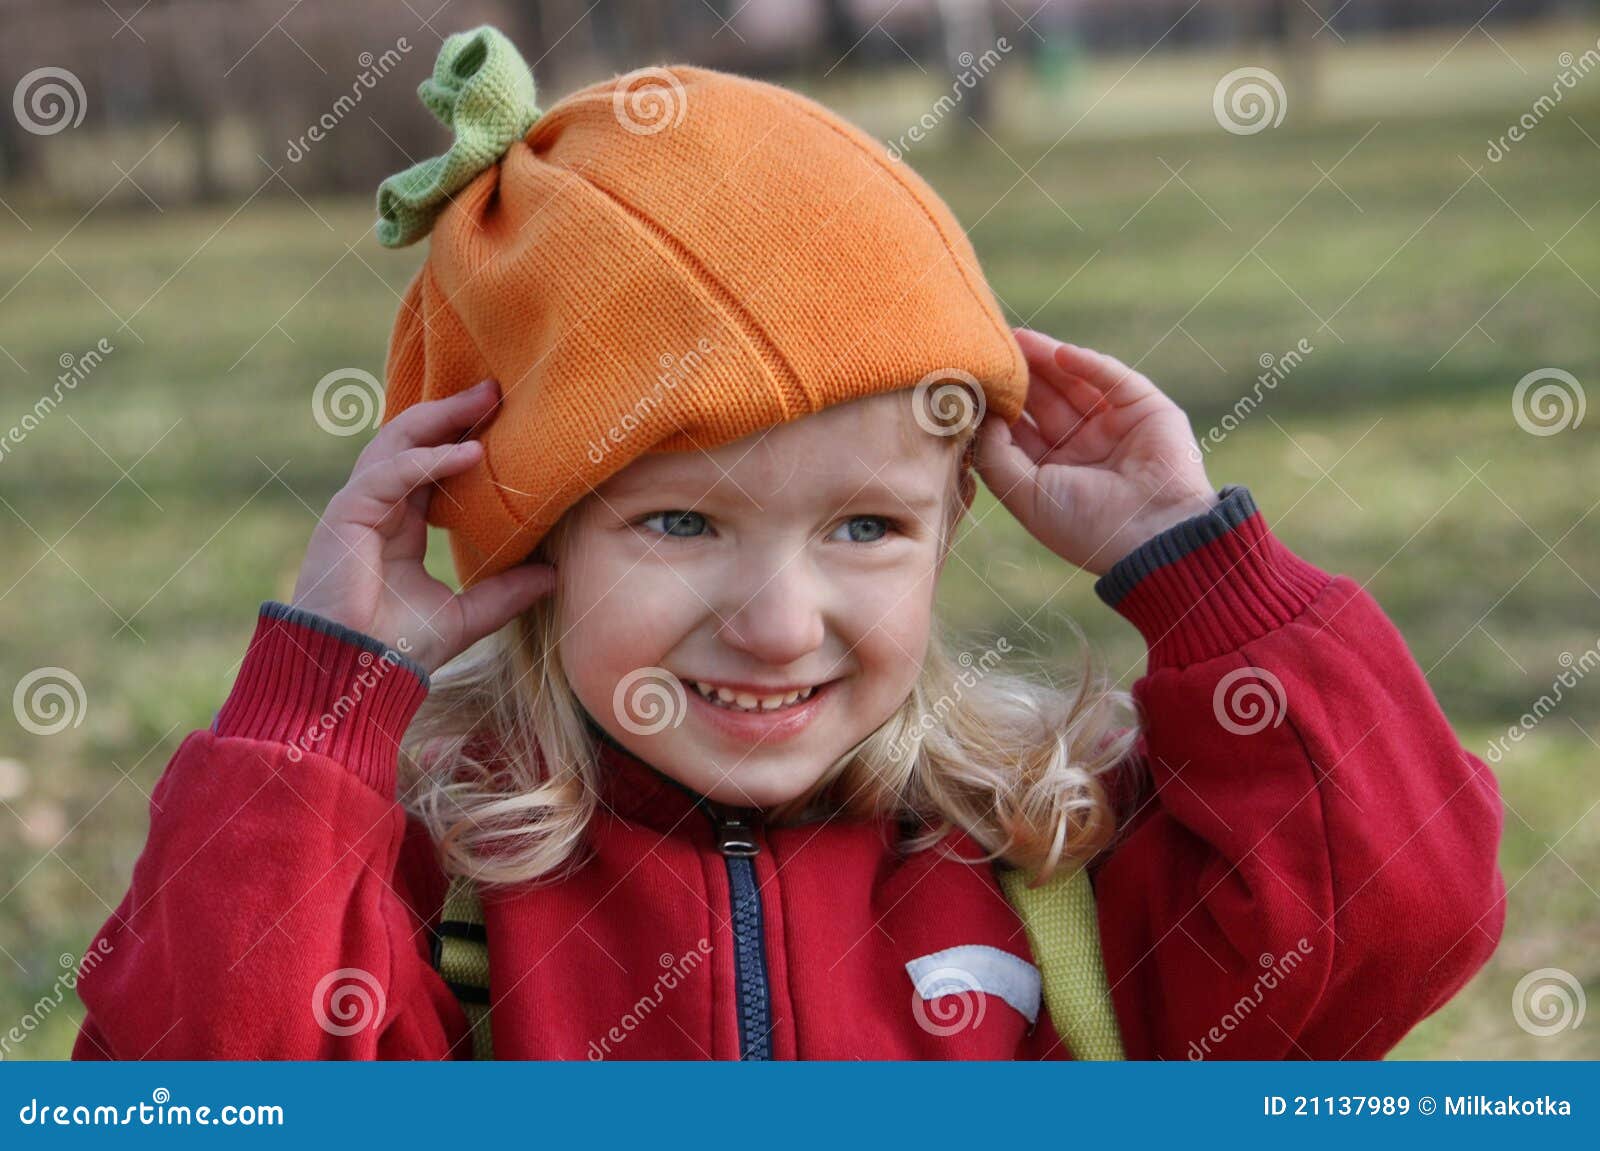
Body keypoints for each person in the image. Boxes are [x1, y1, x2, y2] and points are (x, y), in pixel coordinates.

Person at [72, 27, 1504, 1061]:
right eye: (681, 522)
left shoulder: (1046, 864)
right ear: (532, 545)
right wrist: (327, 700)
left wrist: (1200, 574)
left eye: (867, 526)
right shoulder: (440, 896)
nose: (778, 619)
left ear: (955, 524)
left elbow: (1399, 920)